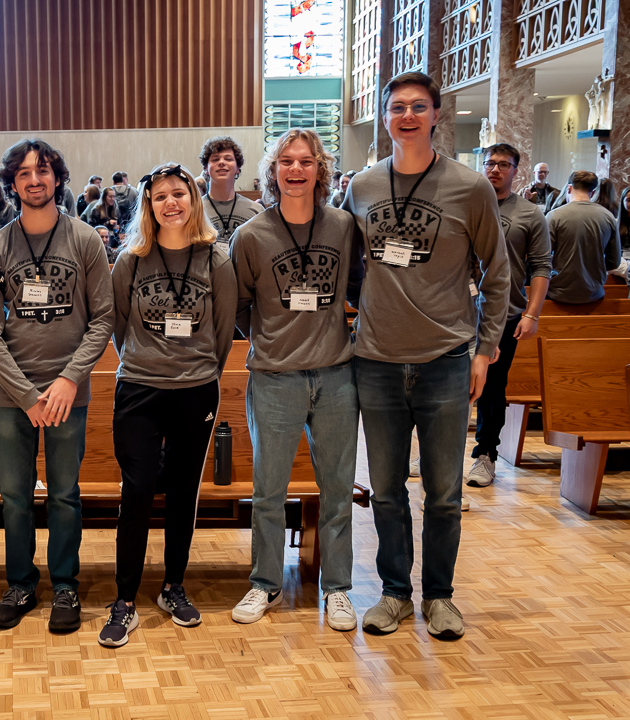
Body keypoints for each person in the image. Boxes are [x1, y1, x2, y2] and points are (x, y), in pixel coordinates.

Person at [341, 72, 509, 640]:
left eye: (418, 107)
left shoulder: (469, 187)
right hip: (377, 361)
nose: (407, 116)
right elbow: (347, 265)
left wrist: (485, 349)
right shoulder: (361, 186)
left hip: (445, 360)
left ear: (437, 115)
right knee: (386, 491)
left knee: (443, 493)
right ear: (385, 119)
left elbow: (499, 271)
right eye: (397, 108)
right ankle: (394, 594)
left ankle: (439, 596)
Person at [0, 138, 114, 632]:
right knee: (14, 495)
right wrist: (27, 395)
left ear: (58, 179)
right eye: (25, 172)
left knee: (64, 494)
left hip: (67, 394)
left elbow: (103, 320)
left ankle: (66, 587)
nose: (35, 179)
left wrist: (70, 380)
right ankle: (20, 582)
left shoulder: (86, 240)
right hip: (14, 398)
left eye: (44, 171)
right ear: (12, 183)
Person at [97, 163, 236, 648]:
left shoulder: (215, 260)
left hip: (196, 389)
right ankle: (126, 599)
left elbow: (223, 333)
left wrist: (195, 372)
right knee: (135, 492)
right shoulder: (130, 261)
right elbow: (117, 326)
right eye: (160, 197)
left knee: (182, 491)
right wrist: (144, 361)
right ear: (149, 205)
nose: (171, 203)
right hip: (138, 387)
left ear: (193, 201)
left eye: (179, 194)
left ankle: (173, 586)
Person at [229, 129, 362, 632]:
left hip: (335, 375)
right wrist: (271, 339)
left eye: (306, 161)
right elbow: (239, 305)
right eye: (286, 161)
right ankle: (264, 582)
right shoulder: (252, 235)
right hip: (274, 378)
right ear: (273, 171)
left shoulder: (345, 226)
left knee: (336, 489)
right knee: (268, 490)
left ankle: (339, 589)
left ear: (320, 170)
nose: (296, 169)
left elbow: (360, 288)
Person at [467, 144, 551, 487]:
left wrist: (532, 314)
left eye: (504, 164)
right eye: (490, 163)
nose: (495, 170)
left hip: (505, 313)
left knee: (491, 387)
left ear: (517, 170)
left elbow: (542, 266)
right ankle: (434, 453)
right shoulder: (467, 206)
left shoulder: (530, 214)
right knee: (445, 385)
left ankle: (485, 455)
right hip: (457, 312)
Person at [546, 171, 620, 304]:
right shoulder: (608, 217)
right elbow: (614, 262)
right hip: (594, 294)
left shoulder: (554, 216)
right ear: (593, 192)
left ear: (569, 188)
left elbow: (542, 257)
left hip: (558, 295)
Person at [199, 136, 262, 247]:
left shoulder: (257, 211)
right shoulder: (193, 209)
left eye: (228, 159)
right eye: (215, 159)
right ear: (206, 169)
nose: (222, 162)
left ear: (238, 168)